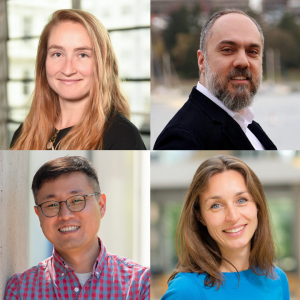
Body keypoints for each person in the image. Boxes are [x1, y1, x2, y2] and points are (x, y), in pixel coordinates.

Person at [4, 156, 150, 299]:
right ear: (38, 214)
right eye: (52, 205)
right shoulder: (20, 290)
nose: (65, 215)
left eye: (76, 200)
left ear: (101, 205)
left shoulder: (140, 284)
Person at [10, 9, 146, 150]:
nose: (68, 70)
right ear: (43, 62)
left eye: (82, 55)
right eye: (57, 54)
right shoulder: (24, 133)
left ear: (102, 65)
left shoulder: (123, 137)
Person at [162, 155, 289, 299]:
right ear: (200, 217)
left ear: (257, 206)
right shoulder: (186, 290)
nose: (233, 217)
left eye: (241, 200)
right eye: (216, 205)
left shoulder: (277, 279)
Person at [154, 9, 277, 150]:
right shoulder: (182, 138)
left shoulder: (250, 126)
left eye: (253, 52)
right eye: (228, 49)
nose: (243, 62)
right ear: (202, 61)